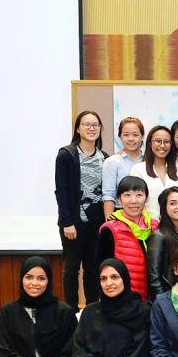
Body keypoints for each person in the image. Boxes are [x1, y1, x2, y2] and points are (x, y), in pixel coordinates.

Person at [55, 110, 107, 305]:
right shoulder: (66, 155)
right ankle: (71, 311)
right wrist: (67, 222)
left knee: (93, 269)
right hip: (73, 222)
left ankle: (92, 310)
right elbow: (61, 191)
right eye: (87, 124)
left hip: (96, 222)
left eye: (95, 125)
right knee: (71, 269)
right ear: (78, 128)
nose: (91, 128)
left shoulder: (105, 157)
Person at [97, 175, 158, 300]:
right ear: (119, 199)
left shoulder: (155, 227)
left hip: (153, 298)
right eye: (127, 195)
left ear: (146, 199)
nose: (133, 201)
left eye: (139, 195)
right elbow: (101, 268)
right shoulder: (109, 229)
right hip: (123, 300)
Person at [146, 186, 178, 297]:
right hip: (168, 298)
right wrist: (165, 302)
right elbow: (154, 278)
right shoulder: (158, 236)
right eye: (173, 203)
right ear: (164, 208)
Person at [130, 125, 178, 215]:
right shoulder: (138, 170)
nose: (162, 145)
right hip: (147, 221)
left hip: (174, 222)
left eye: (166, 142)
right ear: (150, 143)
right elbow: (135, 201)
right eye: (158, 141)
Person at [102, 117, 146, 217]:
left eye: (135, 135)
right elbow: (108, 196)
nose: (131, 139)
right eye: (126, 135)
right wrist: (110, 223)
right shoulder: (112, 162)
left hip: (147, 214)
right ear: (120, 137)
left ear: (142, 136)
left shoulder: (149, 160)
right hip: (121, 214)